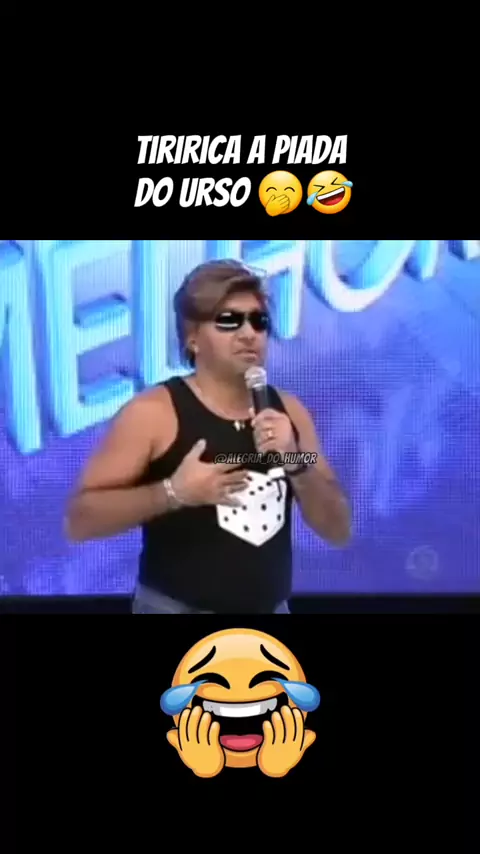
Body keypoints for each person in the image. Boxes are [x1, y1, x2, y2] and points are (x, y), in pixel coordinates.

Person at [65, 259, 351, 613]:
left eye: (259, 321)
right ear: (193, 338)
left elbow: (338, 529)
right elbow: (80, 520)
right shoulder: (152, 414)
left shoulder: (289, 412)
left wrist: (293, 459)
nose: (249, 333)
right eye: (229, 321)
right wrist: (172, 493)